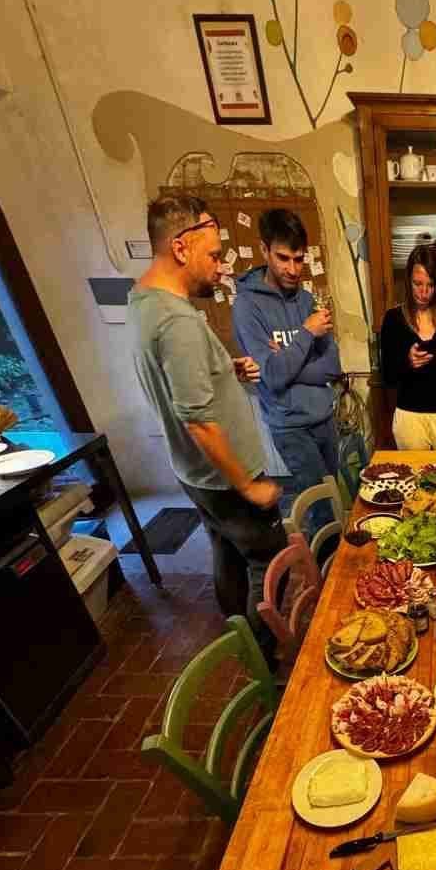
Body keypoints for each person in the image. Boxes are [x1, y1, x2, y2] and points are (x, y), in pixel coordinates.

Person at [128, 195, 286, 656]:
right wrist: (249, 486)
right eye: (214, 255)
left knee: (226, 554)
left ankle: (238, 633)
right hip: (225, 476)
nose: (220, 267)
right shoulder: (176, 321)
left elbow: (179, 382)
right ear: (180, 248)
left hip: (193, 475)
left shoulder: (143, 302)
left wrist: (222, 370)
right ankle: (262, 652)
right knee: (271, 560)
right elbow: (197, 419)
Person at [233, 209, 342, 534]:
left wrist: (289, 361)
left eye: (299, 259)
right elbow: (272, 377)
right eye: (283, 258)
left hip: (324, 418)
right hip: (291, 426)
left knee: (335, 501)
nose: (293, 269)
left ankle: (334, 567)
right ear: (264, 250)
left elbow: (332, 368)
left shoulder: (308, 299)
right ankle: (324, 576)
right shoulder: (247, 306)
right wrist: (307, 334)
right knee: (321, 510)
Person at [380, 244, 436, 450]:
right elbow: (388, 377)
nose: (424, 292)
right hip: (409, 416)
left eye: (430, 285)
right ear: (408, 281)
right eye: (418, 284)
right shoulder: (393, 320)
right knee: (414, 479)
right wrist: (407, 362)